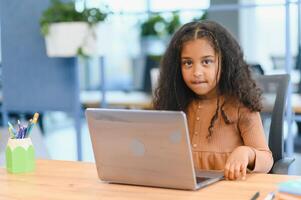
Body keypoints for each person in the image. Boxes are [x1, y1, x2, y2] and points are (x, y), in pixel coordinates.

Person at [153, 20, 273, 180]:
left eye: (206, 61)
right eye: (188, 63)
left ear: (225, 63)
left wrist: (247, 152)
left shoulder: (241, 105)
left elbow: (267, 160)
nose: (197, 72)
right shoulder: (173, 105)